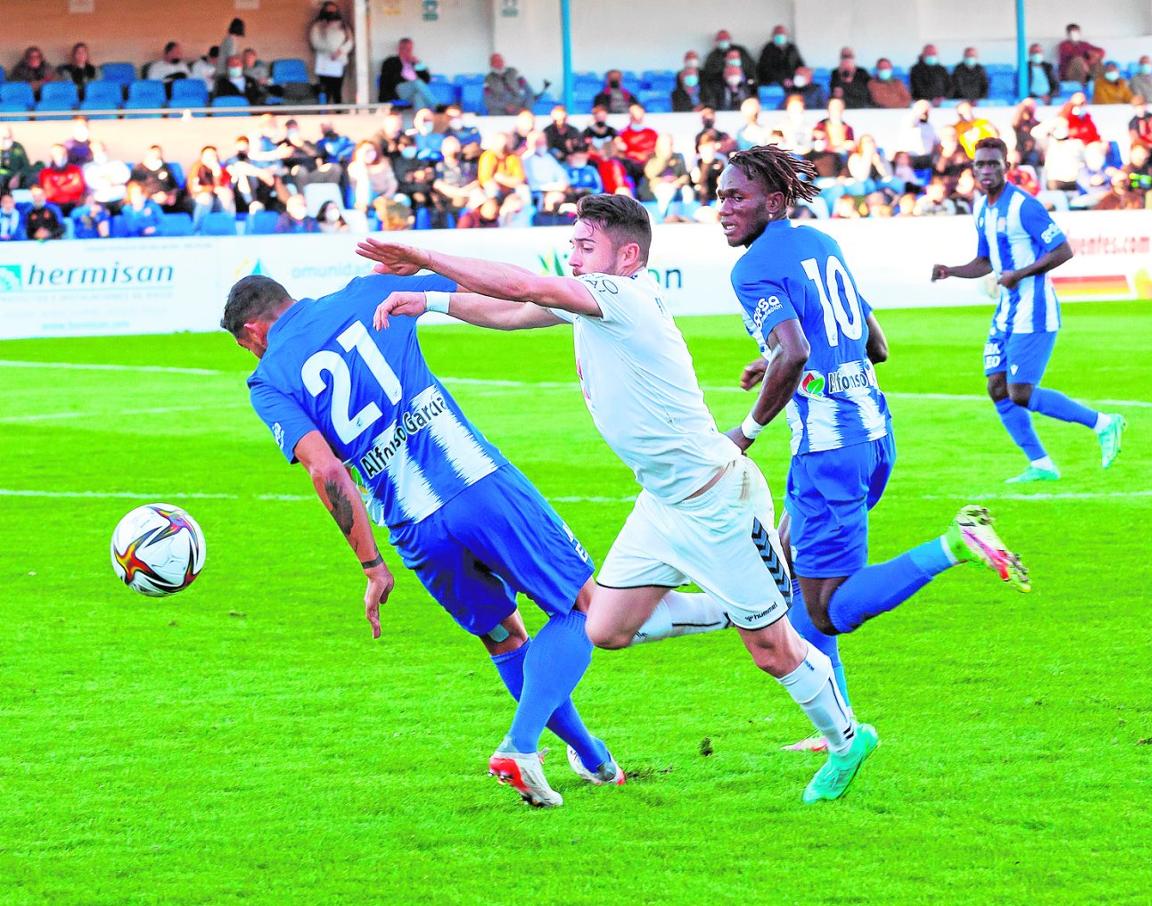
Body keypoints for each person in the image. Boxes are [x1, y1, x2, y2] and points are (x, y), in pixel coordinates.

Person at [358, 193, 875, 804]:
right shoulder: (597, 302)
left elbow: (528, 287)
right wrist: (430, 300)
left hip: (717, 499)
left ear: (627, 256)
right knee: (604, 628)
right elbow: (512, 310)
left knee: (771, 651)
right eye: (572, 246)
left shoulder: (623, 298)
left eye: (585, 247)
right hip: (662, 503)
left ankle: (846, 741)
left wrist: (421, 256)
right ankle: (735, 605)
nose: (573, 257)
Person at [222, 271, 620, 807]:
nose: (252, 355)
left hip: (412, 526)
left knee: (504, 636)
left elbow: (327, 472)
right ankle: (521, 745)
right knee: (586, 609)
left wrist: (372, 565)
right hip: (475, 480)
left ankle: (595, 758)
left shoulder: (268, 380)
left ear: (254, 329)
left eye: (244, 345)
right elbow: (468, 279)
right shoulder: (365, 293)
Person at [716, 144, 1029, 755]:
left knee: (828, 608)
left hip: (829, 451)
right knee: (790, 562)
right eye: (720, 196)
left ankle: (954, 545)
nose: (722, 208)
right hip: (875, 432)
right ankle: (841, 727)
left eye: (736, 197)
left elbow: (801, 351)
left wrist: (746, 432)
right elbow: (872, 343)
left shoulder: (751, 269)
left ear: (773, 203)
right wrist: (774, 358)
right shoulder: (822, 246)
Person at [931, 137, 1125, 483]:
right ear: (973, 169)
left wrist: (1019, 274)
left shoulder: (1024, 206)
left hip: (1034, 312)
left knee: (1019, 391)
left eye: (994, 163)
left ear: (1007, 166)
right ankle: (1041, 464)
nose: (987, 170)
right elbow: (984, 261)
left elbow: (1062, 250)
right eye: (981, 164)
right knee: (996, 387)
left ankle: (1103, 423)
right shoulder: (982, 208)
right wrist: (951, 270)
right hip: (1006, 312)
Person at [309, 2, 353, 105]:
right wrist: (330, 51)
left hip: (339, 61)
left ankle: (339, 112)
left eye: (333, 10)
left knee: (337, 90)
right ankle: (324, 113)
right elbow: (315, 43)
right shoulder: (317, 26)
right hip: (324, 62)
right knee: (325, 90)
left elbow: (350, 41)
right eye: (328, 10)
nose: (331, 13)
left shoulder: (344, 25)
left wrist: (340, 51)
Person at [378, 38, 434, 107]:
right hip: (398, 90)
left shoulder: (415, 63)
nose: (409, 52)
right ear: (399, 49)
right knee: (417, 82)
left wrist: (418, 64)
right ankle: (437, 106)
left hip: (412, 91)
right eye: (406, 49)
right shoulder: (391, 61)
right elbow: (391, 79)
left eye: (410, 49)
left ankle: (421, 117)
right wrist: (412, 82)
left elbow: (427, 79)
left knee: (417, 96)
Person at [188, 145, 236, 224]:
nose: (212, 158)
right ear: (202, 157)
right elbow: (194, 189)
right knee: (206, 198)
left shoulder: (220, 169)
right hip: (197, 201)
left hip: (215, 201)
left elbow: (223, 188)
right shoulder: (197, 168)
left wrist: (216, 174)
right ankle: (197, 230)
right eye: (208, 155)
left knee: (226, 195)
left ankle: (227, 227)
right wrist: (213, 189)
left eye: (214, 155)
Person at [702, 29, 756, 98]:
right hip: (721, 87)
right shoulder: (713, 56)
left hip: (744, 85)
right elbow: (709, 74)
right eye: (721, 40)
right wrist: (726, 73)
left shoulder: (740, 50)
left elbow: (750, 66)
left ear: (730, 40)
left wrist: (750, 80)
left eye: (725, 39)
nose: (723, 42)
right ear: (716, 42)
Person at [38, 145, 86, 215]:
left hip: (74, 205)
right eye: (56, 154)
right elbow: (49, 193)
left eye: (63, 154)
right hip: (53, 207)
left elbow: (79, 188)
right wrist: (69, 187)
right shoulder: (45, 173)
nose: (60, 156)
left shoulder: (75, 170)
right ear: (51, 157)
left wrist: (58, 189)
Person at [757, 24, 804, 88]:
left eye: (782, 33)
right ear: (773, 36)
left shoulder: (792, 48)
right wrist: (782, 80)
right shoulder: (768, 49)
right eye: (777, 33)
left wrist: (800, 75)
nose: (780, 35)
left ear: (786, 35)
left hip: (792, 81)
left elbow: (800, 64)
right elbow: (765, 69)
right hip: (773, 83)